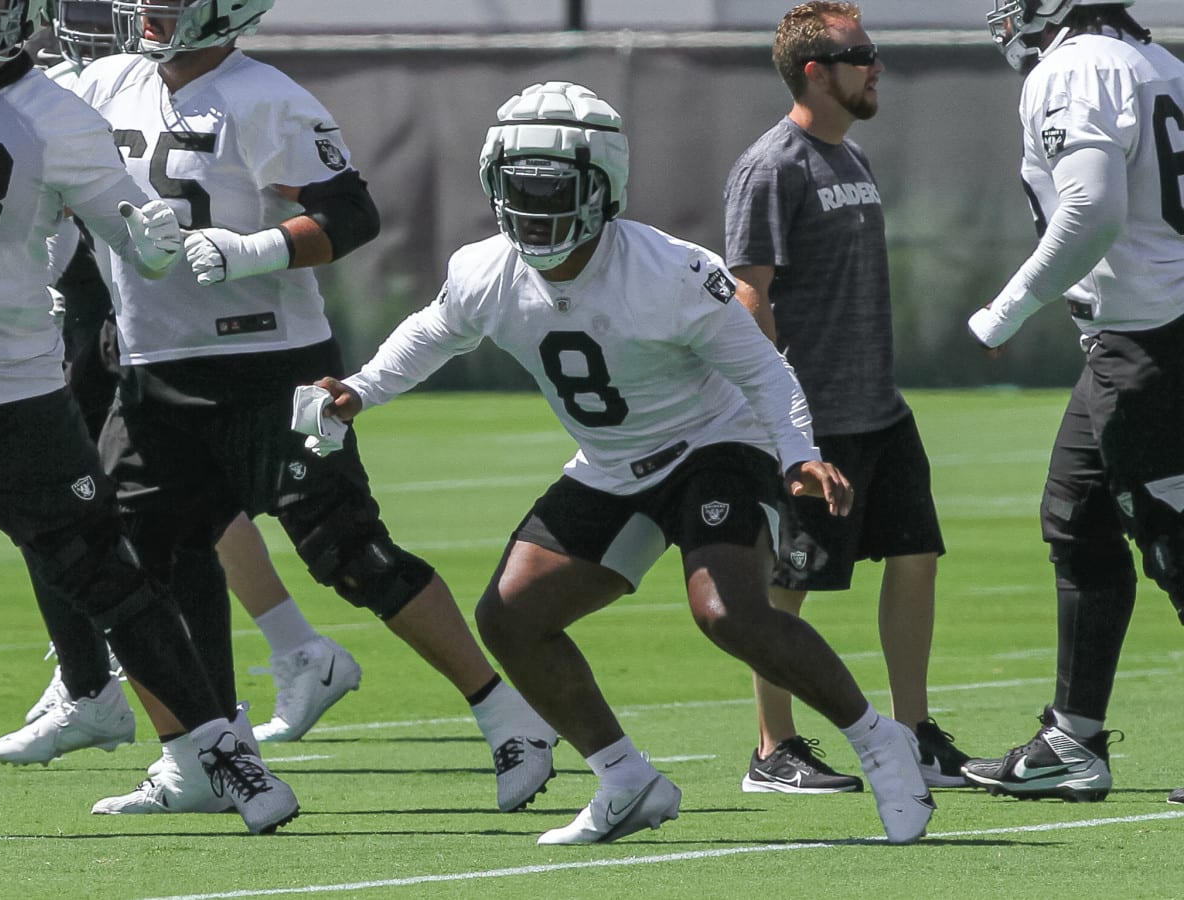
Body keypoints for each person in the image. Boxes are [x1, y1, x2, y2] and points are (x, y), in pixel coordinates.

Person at [299, 80, 936, 845]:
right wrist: (360, 391)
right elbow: (433, 333)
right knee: (512, 616)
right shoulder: (485, 269)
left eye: (552, 191)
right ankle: (626, 780)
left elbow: (763, 370)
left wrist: (798, 453)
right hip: (613, 461)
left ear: (603, 190)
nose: (533, 212)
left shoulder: (668, 270)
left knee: (726, 609)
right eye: (517, 191)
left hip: (714, 444)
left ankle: (880, 742)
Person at [65, 0, 555, 818]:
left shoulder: (268, 97)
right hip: (154, 369)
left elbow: (350, 214)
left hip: (275, 367)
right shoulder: (105, 83)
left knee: (349, 550)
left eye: (172, 0)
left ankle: (509, 718)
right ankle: (193, 759)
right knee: (126, 572)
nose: (150, 10)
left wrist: (254, 248)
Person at [0, 0, 362, 771]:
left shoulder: (85, 92)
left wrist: (245, 252)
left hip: (130, 306)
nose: (122, 20)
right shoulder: (92, 84)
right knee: (145, 512)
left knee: (118, 513)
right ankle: (248, 678)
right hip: (101, 300)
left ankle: (106, 691)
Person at [722, 1, 972, 796]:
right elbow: (748, 296)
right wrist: (783, 422)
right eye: (860, 53)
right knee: (788, 583)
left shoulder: (851, 158)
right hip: (815, 417)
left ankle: (914, 730)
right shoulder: (773, 165)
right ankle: (773, 750)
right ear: (813, 72)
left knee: (916, 556)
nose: (876, 65)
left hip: (880, 407)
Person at [962, 0, 1184, 804]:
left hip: (1155, 340)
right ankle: (1073, 739)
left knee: (1174, 542)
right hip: (1138, 338)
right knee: (1078, 516)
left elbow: (1091, 208)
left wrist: (1006, 310)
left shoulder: (1075, 66)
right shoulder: (1159, 65)